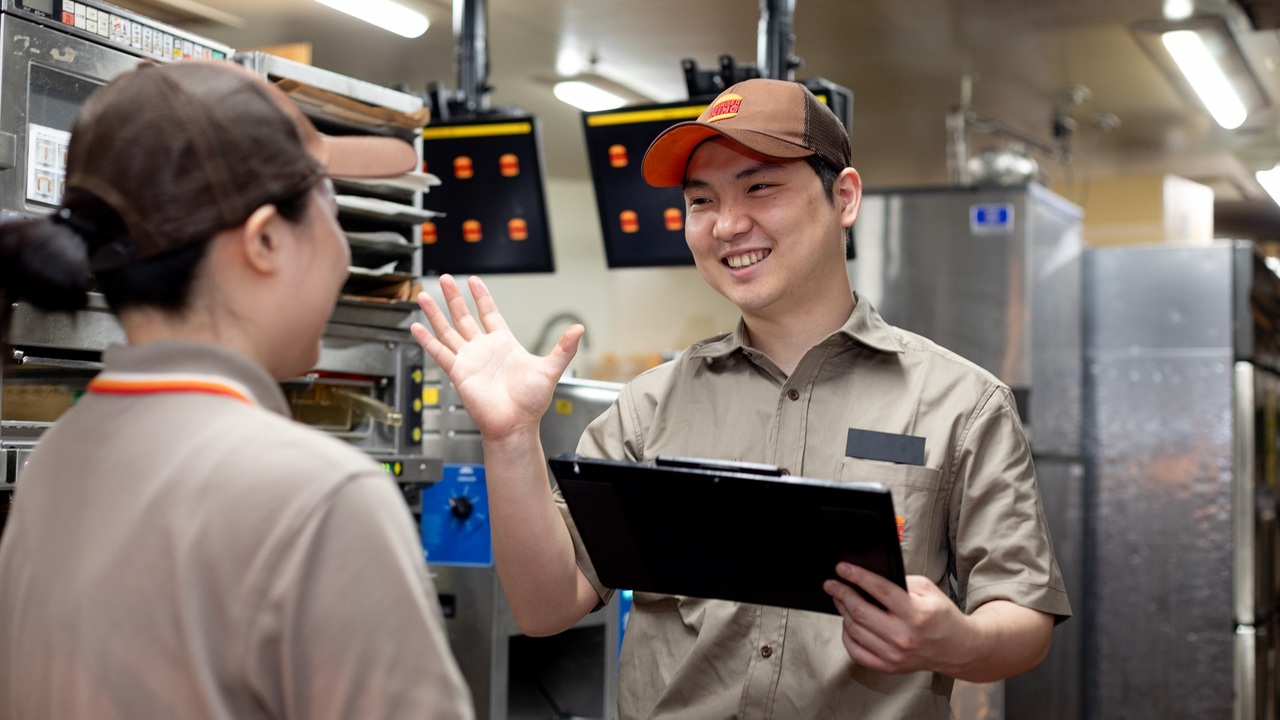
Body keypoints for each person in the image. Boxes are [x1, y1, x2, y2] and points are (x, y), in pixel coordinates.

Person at [411, 78, 1070, 719]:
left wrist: (954, 640)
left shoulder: (962, 403)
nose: (727, 224)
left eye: (761, 187)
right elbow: (546, 607)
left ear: (843, 197)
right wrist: (510, 437)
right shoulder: (647, 407)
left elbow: (1023, 617)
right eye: (702, 201)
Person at [0, 61, 472, 720]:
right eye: (329, 205)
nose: (343, 253)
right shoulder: (319, 497)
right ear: (265, 240)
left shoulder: (56, 461)